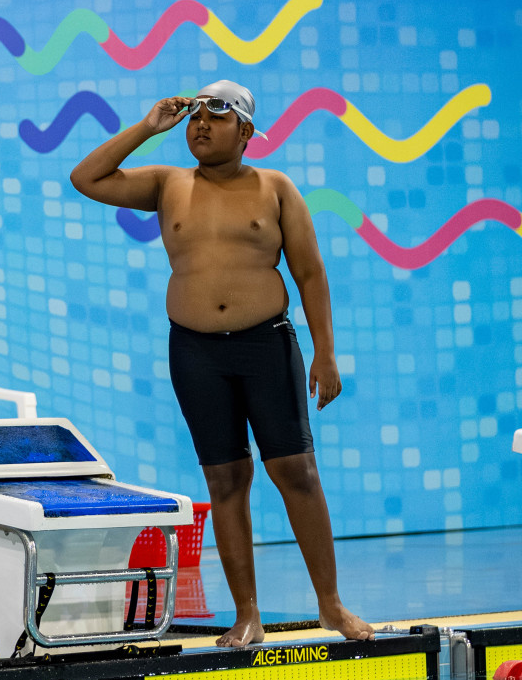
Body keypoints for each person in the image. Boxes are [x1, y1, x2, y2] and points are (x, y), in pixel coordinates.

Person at [68, 80, 374, 648]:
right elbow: (85, 178)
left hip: (266, 344)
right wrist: (145, 126)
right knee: (226, 479)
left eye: (216, 118)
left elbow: (310, 273)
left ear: (247, 132)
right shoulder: (167, 184)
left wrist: (326, 353)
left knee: (296, 473)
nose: (200, 127)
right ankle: (247, 614)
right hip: (196, 351)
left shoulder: (275, 187)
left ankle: (330, 605)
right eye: (193, 120)